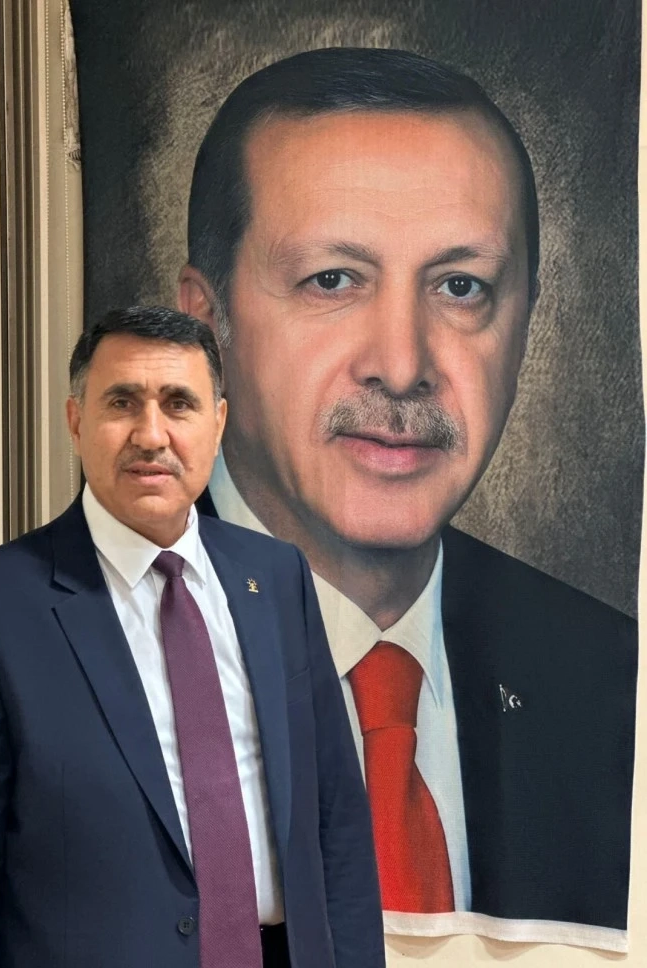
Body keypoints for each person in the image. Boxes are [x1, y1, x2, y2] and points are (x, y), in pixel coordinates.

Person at [177, 47, 637, 945]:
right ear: (204, 328)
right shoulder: (32, 667)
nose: (401, 364)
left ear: (526, 325)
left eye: (461, 287)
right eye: (332, 280)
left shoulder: (618, 685)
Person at [0, 307, 385, 968]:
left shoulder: (276, 577)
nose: (151, 434)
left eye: (178, 404)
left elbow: (336, 818)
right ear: (76, 421)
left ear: (217, 424)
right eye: (121, 403)